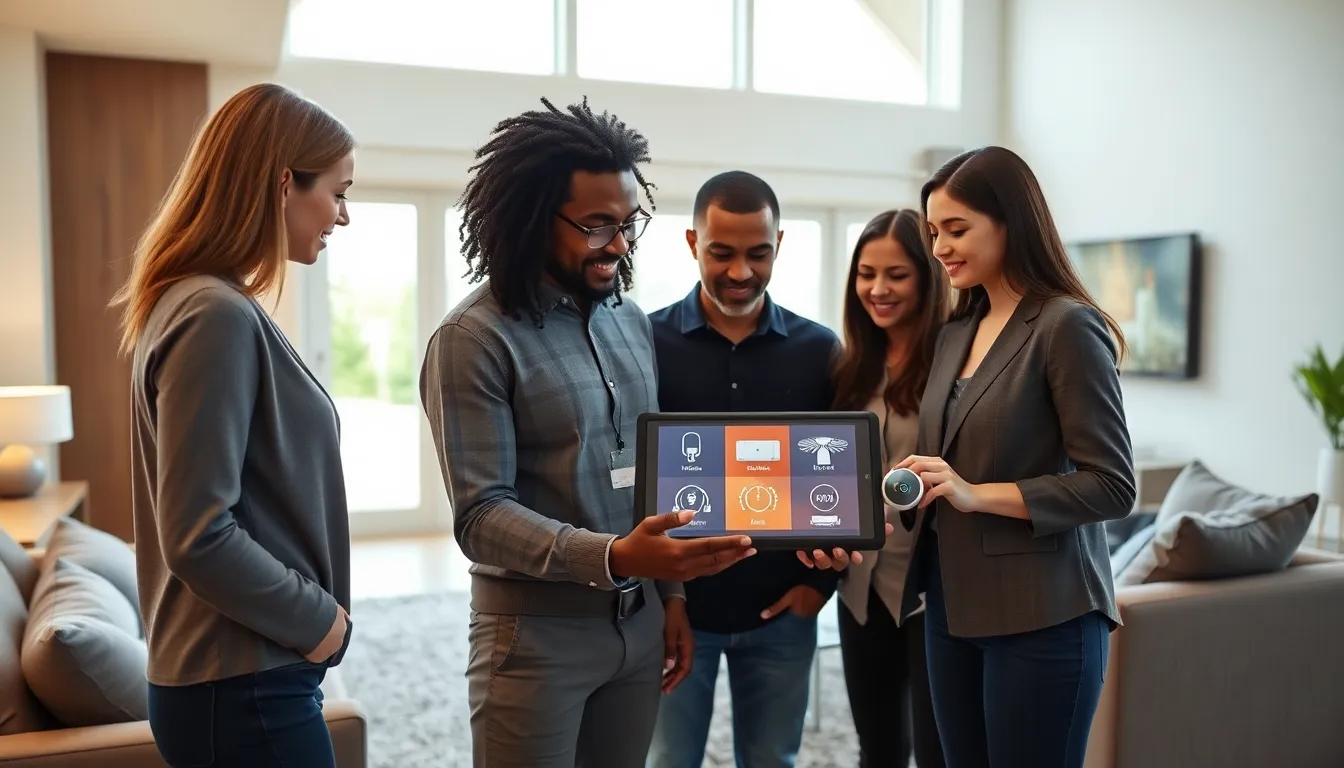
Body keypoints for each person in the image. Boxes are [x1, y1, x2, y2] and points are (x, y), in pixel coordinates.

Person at [418, 97, 757, 768]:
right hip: (533, 634)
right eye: (597, 225)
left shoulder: (630, 321)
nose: (621, 243)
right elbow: (481, 515)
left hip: (638, 624)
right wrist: (615, 557)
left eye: (629, 222)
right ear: (532, 219)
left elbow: (652, 477)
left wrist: (672, 597)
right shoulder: (472, 339)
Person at [112, 83, 356, 767]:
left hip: (240, 678)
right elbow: (197, 534)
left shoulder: (202, 302)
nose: (343, 215)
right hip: (242, 685)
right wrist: (320, 625)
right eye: (337, 192)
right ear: (284, 183)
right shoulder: (213, 314)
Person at [894, 146, 1136, 767]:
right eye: (933, 232)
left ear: (1011, 222)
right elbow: (948, 461)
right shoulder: (955, 332)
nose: (939, 247)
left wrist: (975, 493)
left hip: (1044, 616)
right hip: (950, 606)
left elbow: (1112, 486)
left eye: (956, 229)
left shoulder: (1066, 326)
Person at [645, 170, 842, 768]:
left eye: (758, 253)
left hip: (783, 609)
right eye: (720, 253)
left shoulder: (820, 350)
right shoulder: (643, 341)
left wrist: (820, 588)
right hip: (676, 613)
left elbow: (837, 483)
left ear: (779, 244)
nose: (740, 272)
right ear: (691, 243)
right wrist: (662, 599)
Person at [830, 209, 948, 768]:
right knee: (877, 747)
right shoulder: (851, 364)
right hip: (859, 588)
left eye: (896, 274)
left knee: (937, 747)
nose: (877, 289)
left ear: (927, 276)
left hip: (932, 590)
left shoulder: (957, 363)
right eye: (866, 273)